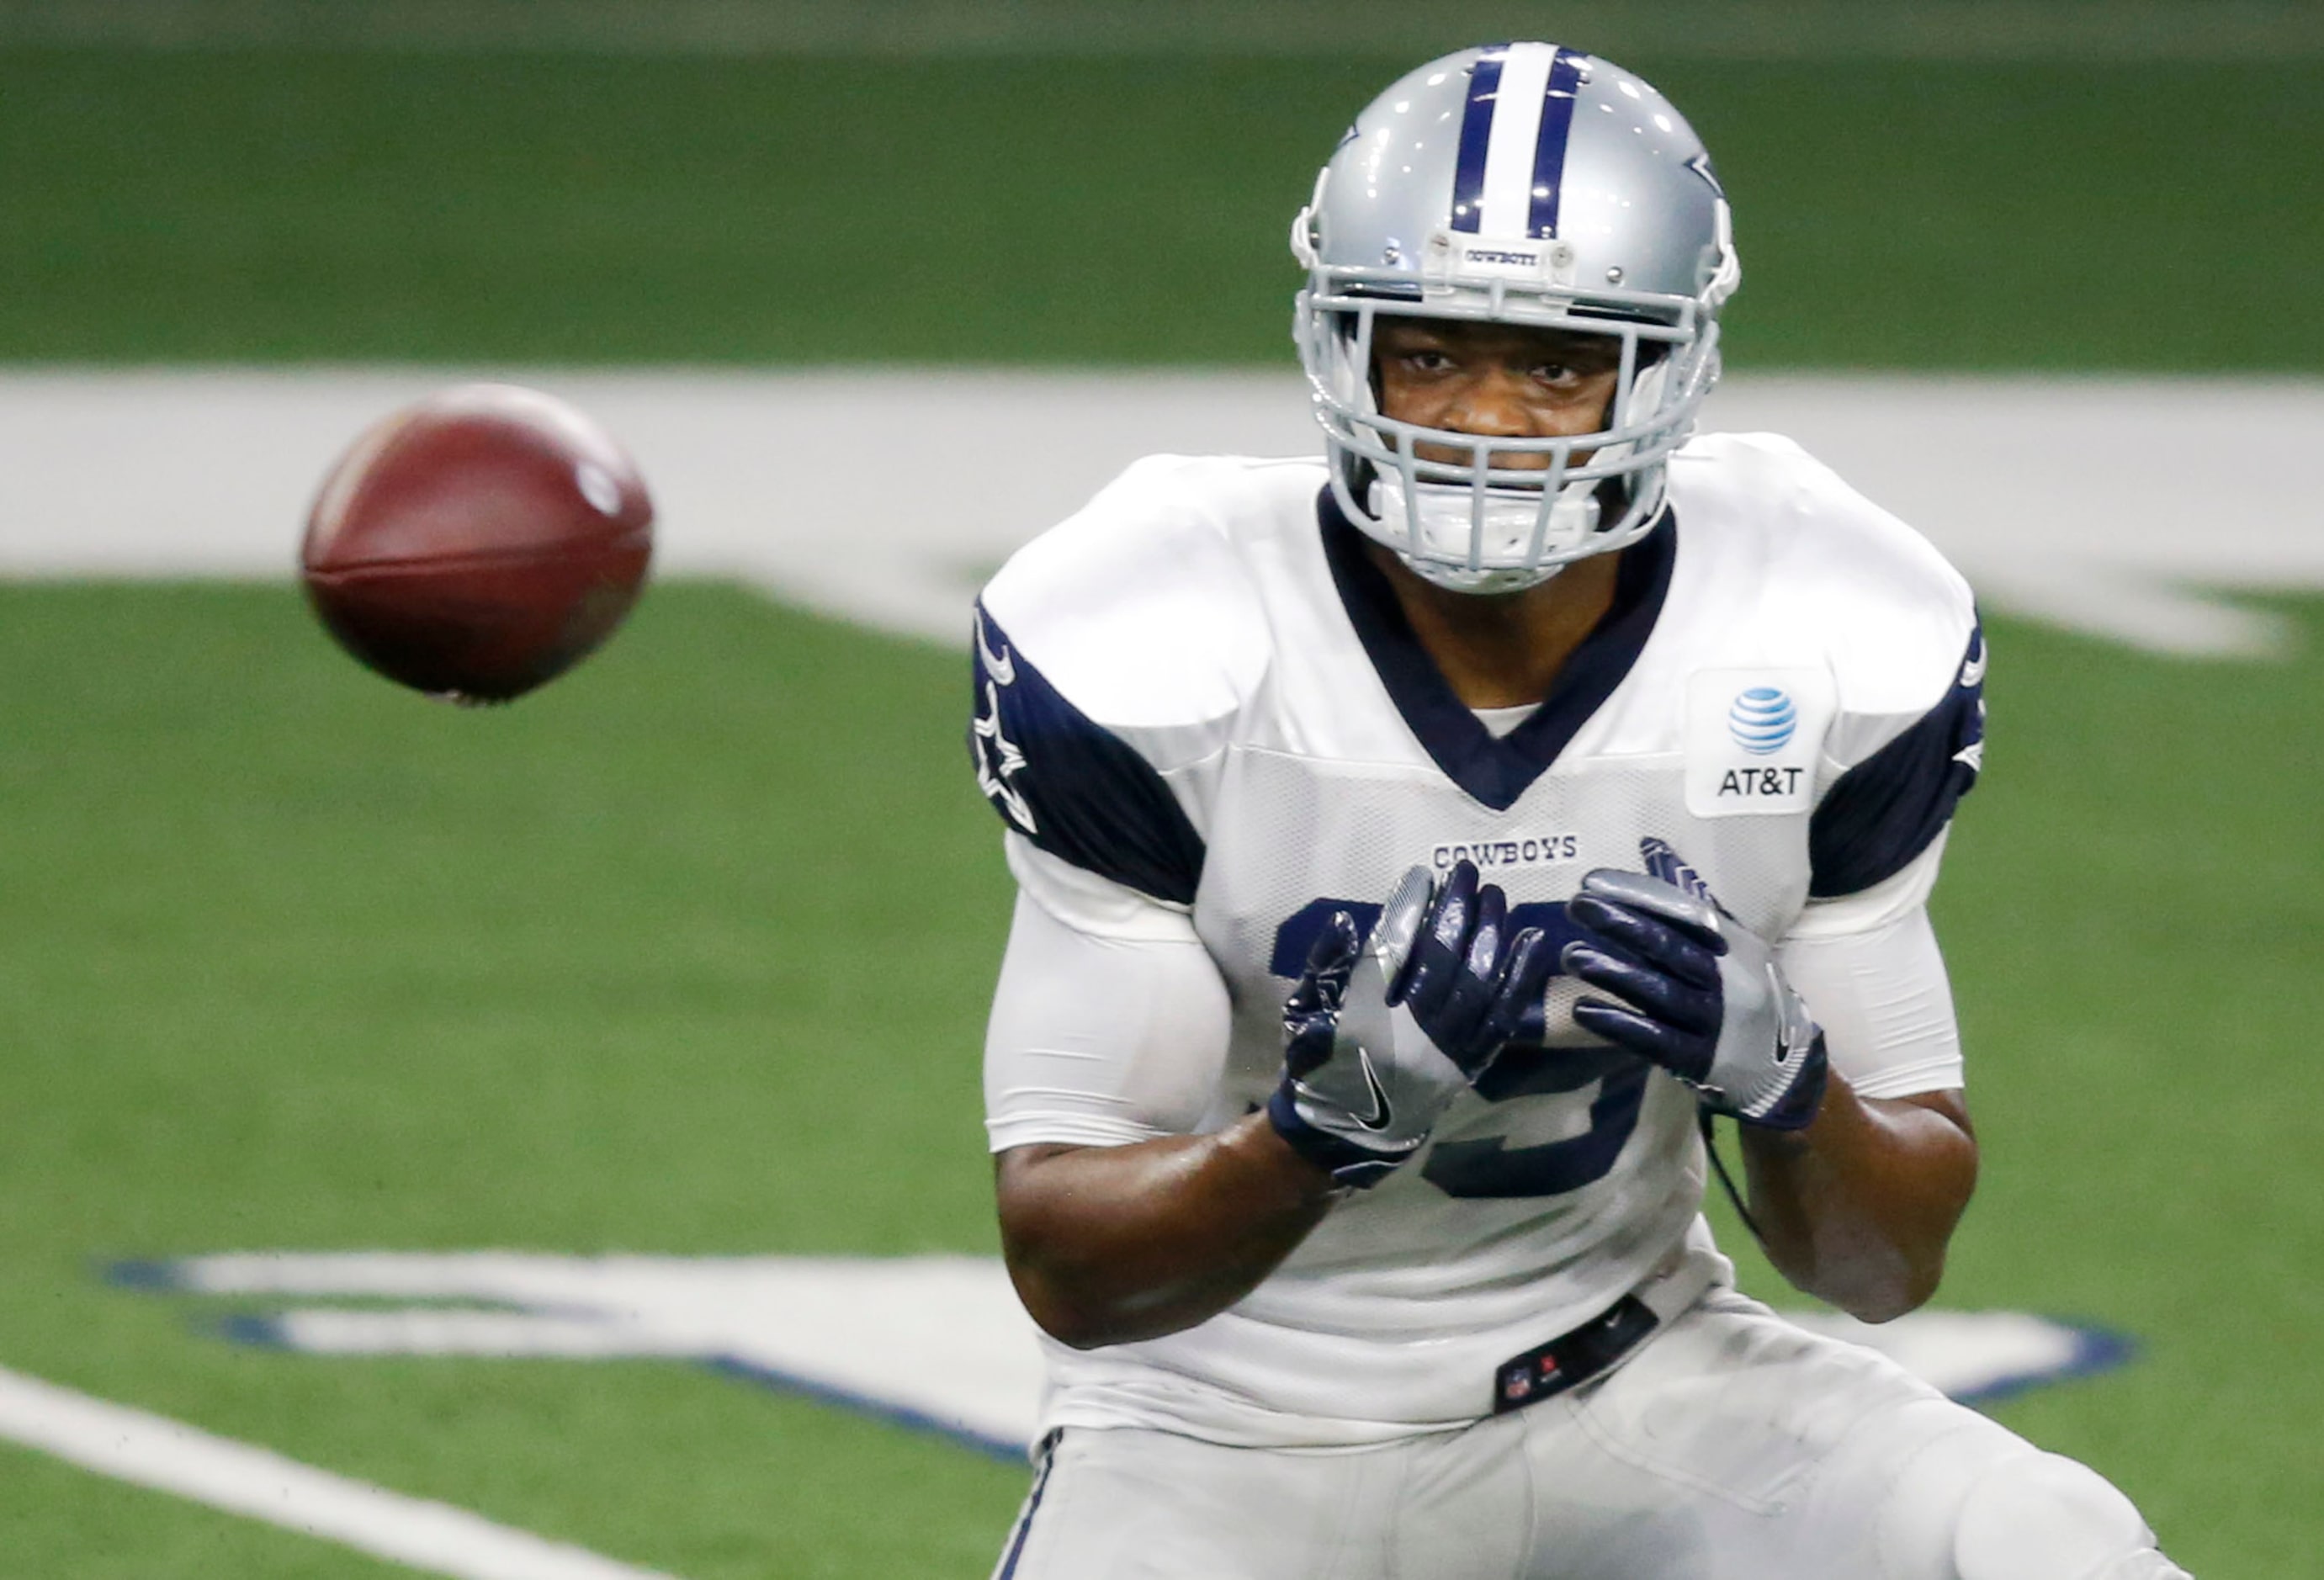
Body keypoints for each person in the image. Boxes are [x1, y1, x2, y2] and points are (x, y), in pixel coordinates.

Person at [967, 40, 2186, 1579]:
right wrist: (1312, 1132)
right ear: (1339, 351)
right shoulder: (1151, 630)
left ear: (1664, 366)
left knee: (2039, 1538)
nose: (1485, 416)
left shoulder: (1824, 613)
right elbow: (1073, 1267)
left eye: (1555, 363)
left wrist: (1787, 1080)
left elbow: (1883, 1264)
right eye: (1429, 353)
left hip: (1634, 1377)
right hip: (1220, 1430)